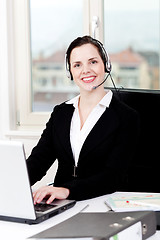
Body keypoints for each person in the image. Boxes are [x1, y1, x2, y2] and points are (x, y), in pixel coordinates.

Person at [27, 35, 139, 204]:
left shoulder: (126, 117)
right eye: (77, 65)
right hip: (60, 204)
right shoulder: (61, 113)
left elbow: (113, 176)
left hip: (103, 204)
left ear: (106, 65)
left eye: (93, 62)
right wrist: (12, 184)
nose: (85, 70)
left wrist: (68, 190)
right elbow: (38, 161)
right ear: (70, 72)